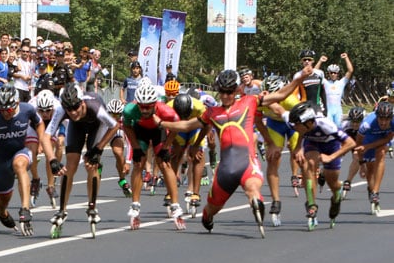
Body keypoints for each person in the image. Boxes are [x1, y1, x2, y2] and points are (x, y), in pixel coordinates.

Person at [158, 66, 313, 238]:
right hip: (226, 169)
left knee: (253, 188)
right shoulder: (212, 112)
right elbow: (187, 125)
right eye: (222, 92)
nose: (225, 96)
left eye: (229, 92)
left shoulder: (250, 101)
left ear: (238, 89)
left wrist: (299, 79)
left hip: (245, 162)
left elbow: (281, 94)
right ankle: (209, 216)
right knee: (211, 209)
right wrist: (162, 124)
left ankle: (256, 202)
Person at [0, 84, 56, 236]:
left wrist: (41, 140)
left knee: (19, 164)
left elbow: (39, 123)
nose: (5, 114)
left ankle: (25, 209)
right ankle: (1, 212)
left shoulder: (27, 109)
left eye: (8, 110)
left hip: (20, 150)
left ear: (16, 104)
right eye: (2, 110)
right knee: (3, 200)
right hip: (0, 158)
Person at [43, 83, 119, 238]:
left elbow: (114, 125)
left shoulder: (95, 106)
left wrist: (99, 148)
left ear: (82, 102)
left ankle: (92, 206)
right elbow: (45, 136)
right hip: (76, 128)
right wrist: (52, 160)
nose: (72, 112)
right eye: (68, 109)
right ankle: (62, 210)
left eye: (76, 107)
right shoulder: (62, 110)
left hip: (97, 126)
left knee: (91, 164)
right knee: (70, 166)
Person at [280, 102, 355, 229]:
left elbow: (351, 143)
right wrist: (298, 147)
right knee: (308, 164)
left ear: (309, 122)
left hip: (331, 145)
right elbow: (278, 109)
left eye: (297, 124)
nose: (294, 127)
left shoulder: (326, 125)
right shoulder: (295, 122)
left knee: (332, 182)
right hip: (312, 143)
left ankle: (337, 194)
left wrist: (331, 157)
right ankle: (311, 205)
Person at [122, 82, 184, 230]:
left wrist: (167, 146)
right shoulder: (129, 110)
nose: (144, 110)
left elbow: (176, 127)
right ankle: (135, 205)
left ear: (155, 104)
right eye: (141, 106)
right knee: (138, 163)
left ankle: (175, 204)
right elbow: (127, 127)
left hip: (159, 130)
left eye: (148, 106)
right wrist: (136, 147)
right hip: (140, 130)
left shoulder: (166, 111)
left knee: (164, 163)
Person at [255, 75, 302, 226]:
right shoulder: (261, 101)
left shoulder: (291, 101)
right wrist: (270, 143)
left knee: (300, 156)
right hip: (274, 125)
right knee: (273, 158)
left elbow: (304, 126)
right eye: (269, 97)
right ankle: (276, 200)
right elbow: (258, 123)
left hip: (295, 125)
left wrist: (299, 147)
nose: (271, 101)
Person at [354, 101, 394, 215]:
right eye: (381, 119)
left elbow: (388, 139)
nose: (383, 122)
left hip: (382, 139)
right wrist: (361, 165)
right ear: (377, 116)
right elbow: (359, 146)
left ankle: (375, 192)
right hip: (368, 139)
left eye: (387, 119)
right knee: (370, 170)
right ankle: (371, 190)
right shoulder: (366, 124)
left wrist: (369, 146)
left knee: (381, 153)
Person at [321, 53, 354, 126]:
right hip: (328, 110)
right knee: (329, 128)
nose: (333, 74)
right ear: (329, 73)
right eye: (331, 72)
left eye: (335, 72)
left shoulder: (341, 82)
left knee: (339, 129)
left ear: (337, 73)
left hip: (338, 110)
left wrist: (346, 58)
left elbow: (350, 70)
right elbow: (315, 72)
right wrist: (320, 61)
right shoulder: (325, 82)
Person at [341, 106, 366, 198]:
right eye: (353, 121)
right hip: (347, 139)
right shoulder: (344, 125)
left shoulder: (366, 126)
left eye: (358, 122)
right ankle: (323, 172)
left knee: (357, 157)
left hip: (360, 141)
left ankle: (348, 181)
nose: (355, 124)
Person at [294, 49, 328, 116]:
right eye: (304, 60)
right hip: (304, 108)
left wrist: (326, 108)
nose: (307, 61)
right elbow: (295, 95)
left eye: (309, 59)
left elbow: (322, 92)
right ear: (301, 61)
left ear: (313, 61)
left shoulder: (319, 73)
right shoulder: (297, 75)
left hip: (318, 107)